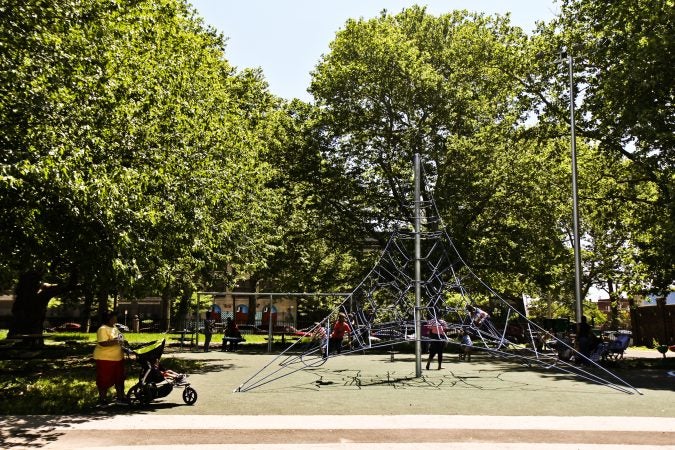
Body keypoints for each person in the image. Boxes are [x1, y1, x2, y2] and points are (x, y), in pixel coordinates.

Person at [93, 310, 127, 406]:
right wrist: (116, 341)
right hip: (105, 358)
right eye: (114, 317)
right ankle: (102, 399)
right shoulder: (102, 329)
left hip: (118, 358)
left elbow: (120, 339)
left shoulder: (115, 328)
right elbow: (103, 343)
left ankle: (120, 397)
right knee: (104, 379)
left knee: (120, 378)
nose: (116, 319)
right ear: (109, 318)